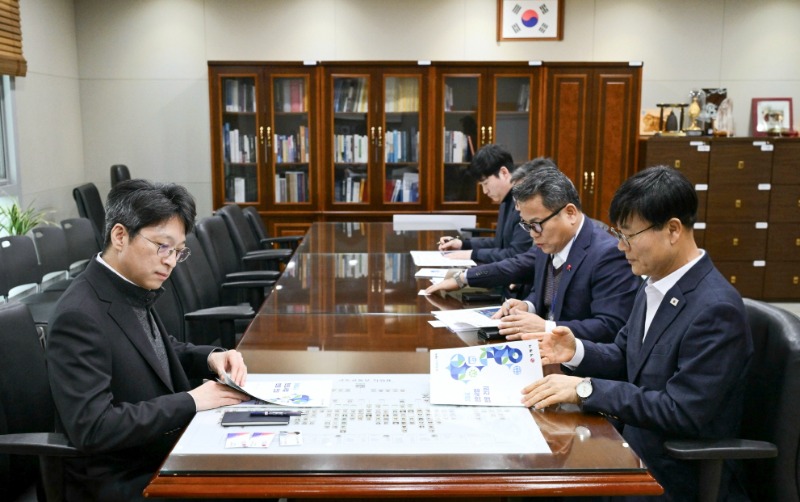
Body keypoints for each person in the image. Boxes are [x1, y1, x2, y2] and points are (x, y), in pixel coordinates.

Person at [514, 166, 753, 500]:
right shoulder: (654, 283)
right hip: (630, 441)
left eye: (628, 236)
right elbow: (625, 355)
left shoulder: (716, 310)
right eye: (618, 234)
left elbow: (680, 410)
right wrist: (576, 351)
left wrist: (584, 389)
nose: (620, 247)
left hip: (674, 470)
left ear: (672, 230)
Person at [47, 180, 249, 501]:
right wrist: (192, 401)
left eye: (178, 251)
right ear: (120, 236)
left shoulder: (127, 286)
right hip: (122, 478)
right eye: (162, 246)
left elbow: (153, 350)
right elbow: (94, 427)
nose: (170, 260)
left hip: (159, 452)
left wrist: (211, 357)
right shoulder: (80, 314)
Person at [447, 166, 638, 343]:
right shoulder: (547, 241)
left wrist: (547, 327)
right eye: (527, 225)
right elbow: (541, 291)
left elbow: (611, 327)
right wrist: (527, 306)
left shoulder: (608, 254)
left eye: (536, 224)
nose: (532, 233)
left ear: (570, 213)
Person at [427, 157, 554, 299]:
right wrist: (528, 305)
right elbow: (522, 263)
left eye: (523, 196)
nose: (518, 206)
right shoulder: (521, 213)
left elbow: (518, 260)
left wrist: (464, 274)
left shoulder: (566, 243)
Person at [436, 144, 531, 264]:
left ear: (504, 173)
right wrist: (463, 244)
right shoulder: (506, 199)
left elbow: (515, 254)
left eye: (485, 183)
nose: (485, 191)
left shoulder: (525, 203)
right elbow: (500, 243)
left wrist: (471, 254)